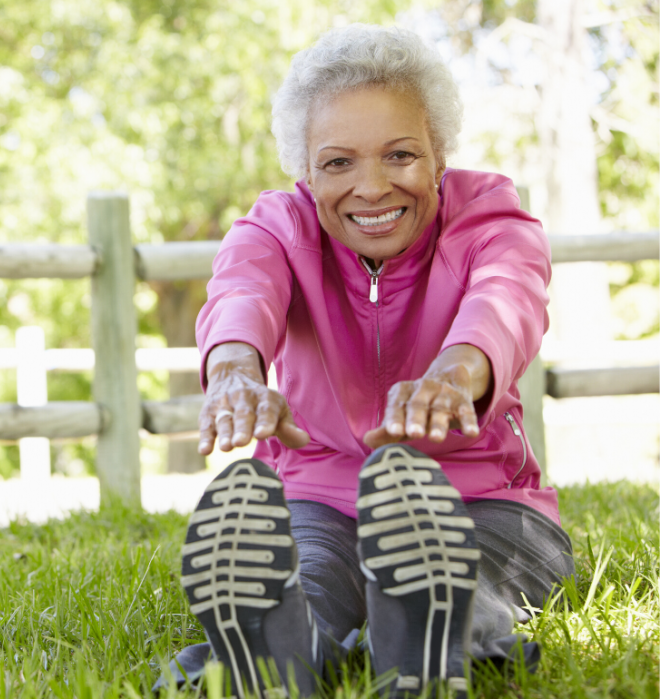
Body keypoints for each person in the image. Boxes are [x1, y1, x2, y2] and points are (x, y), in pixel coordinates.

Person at [160, 24, 575, 699]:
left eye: (401, 154)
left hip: (487, 502)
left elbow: (508, 300)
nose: (373, 187)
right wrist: (235, 372)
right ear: (306, 170)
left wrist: (454, 374)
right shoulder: (279, 226)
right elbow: (243, 292)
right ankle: (273, 652)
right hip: (318, 499)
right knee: (311, 581)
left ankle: (430, 635)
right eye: (339, 163)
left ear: (439, 153)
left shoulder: (489, 215)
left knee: (471, 580)